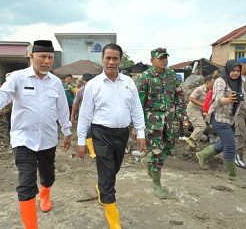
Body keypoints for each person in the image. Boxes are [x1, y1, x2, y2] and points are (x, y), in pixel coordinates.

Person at [0, 40, 72, 229]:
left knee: (48, 175)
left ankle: (45, 195)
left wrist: (67, 132)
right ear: (32, 56)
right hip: (23, 139)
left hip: (48, 138)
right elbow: (2, 94)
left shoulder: (56, 83)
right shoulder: (18, 78)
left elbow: (62, 111)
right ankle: (31, 226)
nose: (46, 61)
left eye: (50, 57)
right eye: (42, 56)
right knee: (26, 183)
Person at [77, 43, 145, 228]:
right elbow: (85, 115)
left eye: (115, 58)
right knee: (107, 174)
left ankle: (102, 186)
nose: (111, 61)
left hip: (122, 134)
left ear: (120, 60)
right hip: (101, 134)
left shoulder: (129, 83)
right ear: (102, 59)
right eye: (108, 58)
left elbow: (136, 109)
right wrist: (81, 140)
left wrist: (140, 133)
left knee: (113, 169)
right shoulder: (93, 85)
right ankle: (114, 221)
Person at [196, 60, 246, 188]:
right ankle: (232, 176)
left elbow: (244, 103)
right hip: (218, 118)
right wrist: (229, 99)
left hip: (231, 119)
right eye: (233, 70)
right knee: (231, 145)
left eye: (238, 71)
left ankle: (203, 154)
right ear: (228, 70)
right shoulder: (220, 81)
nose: (235, 73)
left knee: (224, 143)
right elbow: (217, 99)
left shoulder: (239, 84)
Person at [136, 47, 187, 199]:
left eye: (165, 57)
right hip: (152, 121)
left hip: (169, 120)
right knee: (158, 152)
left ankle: (147, 160)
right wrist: (136, 126)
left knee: (169, 146)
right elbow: (138, 102)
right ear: (152, 61)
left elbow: (179, 95)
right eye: (160, 58)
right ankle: (156, 184)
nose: (164, 60)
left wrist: (181, 116)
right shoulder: (145, 77)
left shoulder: (171, 75)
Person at [186, 75, 215, 151]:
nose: (213, 85)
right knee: (201, 126)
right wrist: (203, 105)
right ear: (207, 83)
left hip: (199, 111)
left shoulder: (209, 92)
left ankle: (192, 146)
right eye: (212, 83)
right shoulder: (200, 89)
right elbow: (191, 98)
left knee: (198, 128)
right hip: (193, 110)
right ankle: (191, 139)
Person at [70, 73, 96, 158]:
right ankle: (91, 152)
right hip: (83, 115)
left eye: (89, 80)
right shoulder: (80, 91)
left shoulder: (96, 89)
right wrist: (72, 116)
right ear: (83, 81)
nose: (87, 82)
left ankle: (93, 149)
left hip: (95, 115)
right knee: (87, 133)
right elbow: (75, 103)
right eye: (86, 80)